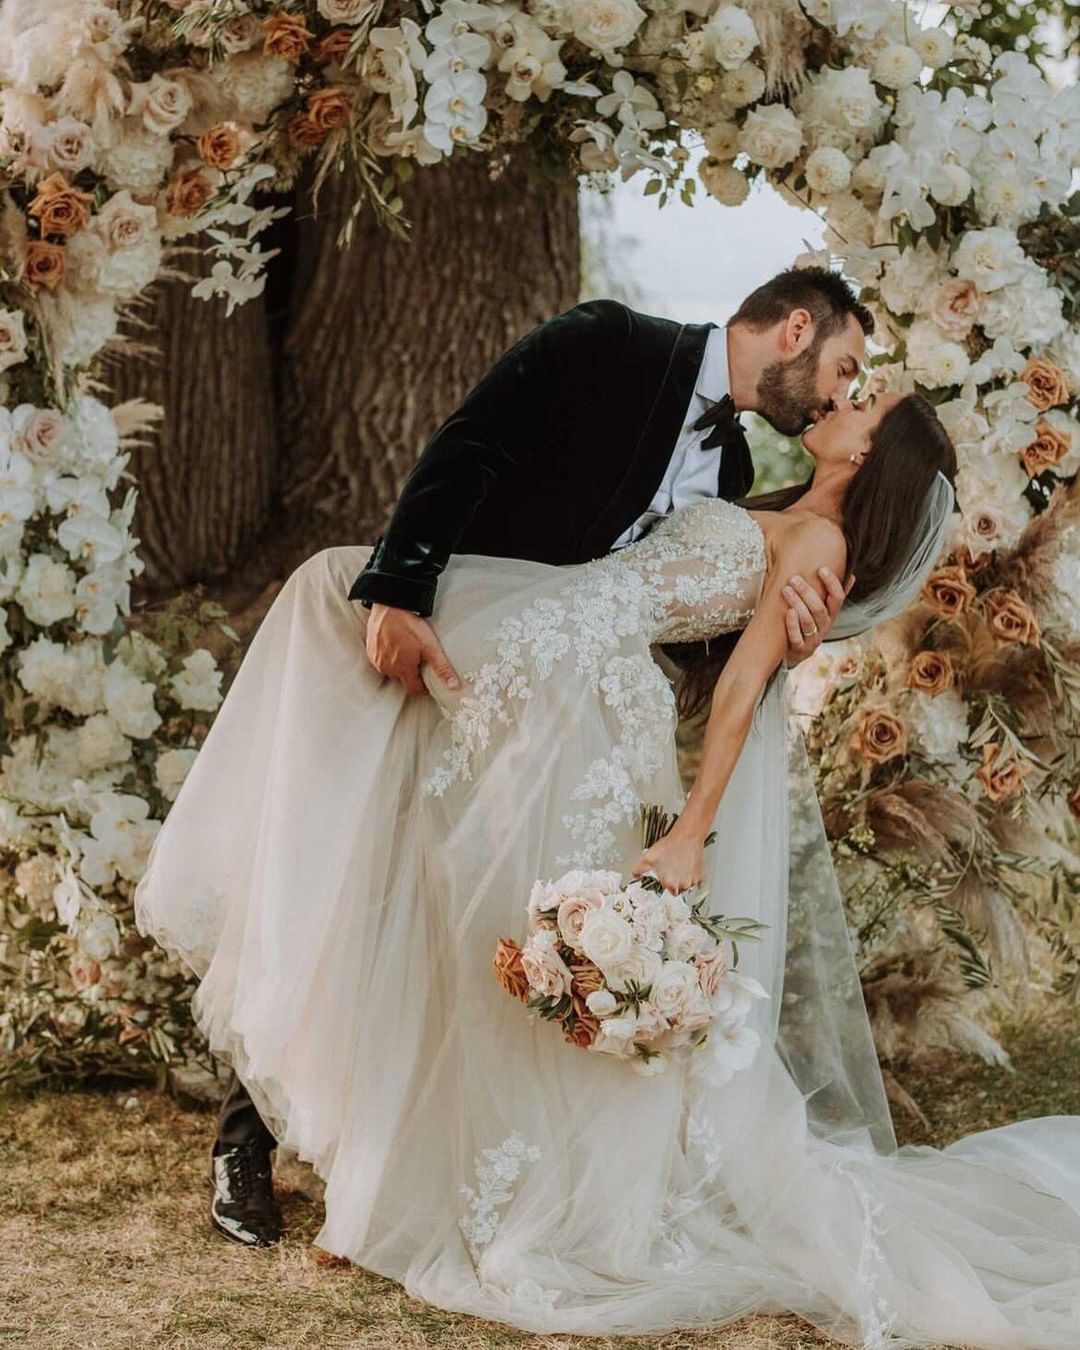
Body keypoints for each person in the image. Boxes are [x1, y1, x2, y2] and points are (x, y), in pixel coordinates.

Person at [135, 382, 1080, 1348]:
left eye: (866, 407)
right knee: (347, 637)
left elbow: (742, 691)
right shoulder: (773, 505)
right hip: (544, 640)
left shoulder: (819, 550)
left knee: (484, 917)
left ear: (867, 458)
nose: (845, 399)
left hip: (572, 688)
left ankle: (443, 1183)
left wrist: (691, 832)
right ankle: (374, 1152)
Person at [203, 266, 872, 1246]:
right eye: (841, 367)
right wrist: (399, 592)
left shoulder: (731, 474)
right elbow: (470, 445)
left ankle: (387, 1146)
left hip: (548, 715)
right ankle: (242, 1143)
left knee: (454, 919)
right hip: (446, 652)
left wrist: (790, 632)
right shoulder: (612, 343)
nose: (836, 394)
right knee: (353, 874)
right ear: (795, 329)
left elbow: (672, 621)